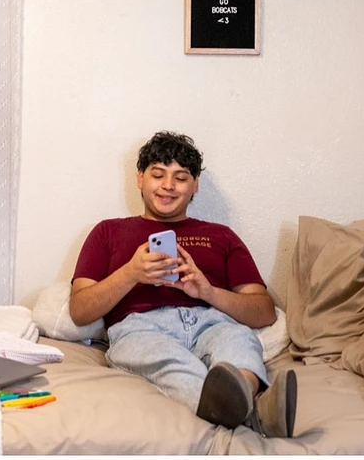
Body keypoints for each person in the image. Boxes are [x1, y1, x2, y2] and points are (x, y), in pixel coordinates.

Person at [68, 131, 296, 437]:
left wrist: (208, 292)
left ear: (195, 185)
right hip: (140, 327)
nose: (168, 186)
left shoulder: (222, 235)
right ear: (140, 178)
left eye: (181, 177)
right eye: (158, 174)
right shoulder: (107, 232)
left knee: (238, 341)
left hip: (212, 322)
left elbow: (264, 312)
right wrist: (130, 273)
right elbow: (80, 310)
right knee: (168, 360)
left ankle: (238, 394)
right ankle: (256, 415)